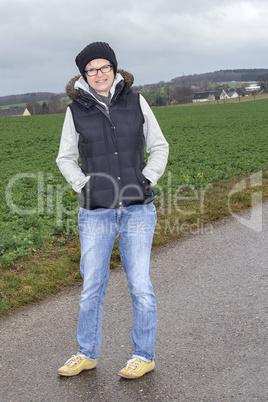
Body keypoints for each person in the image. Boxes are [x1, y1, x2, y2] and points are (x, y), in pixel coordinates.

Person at [56, 41, 169, 379]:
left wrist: (145, 178)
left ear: (115, 69)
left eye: (104, 67)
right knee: (92, 286)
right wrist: (84, 185)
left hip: (137, 209)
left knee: (140, 286)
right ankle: (86, 353)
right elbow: (65, 157)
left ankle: (143, 355)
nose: (99, 74)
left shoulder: (136, 100)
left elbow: (159, 145)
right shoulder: (75, 110)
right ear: (83, 76)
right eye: (91, 70)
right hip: (95, 212)